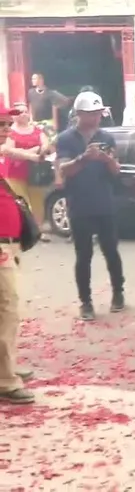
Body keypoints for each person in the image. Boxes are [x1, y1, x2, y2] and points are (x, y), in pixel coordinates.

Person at [56, 91, 125, 321]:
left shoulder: (107, 137)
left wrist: (107, 160)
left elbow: (117, 172)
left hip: (104, 203)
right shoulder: (66, 139)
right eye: (91, 113)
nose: (96, 118)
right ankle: (85, 302)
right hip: (79, 204)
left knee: (111, 251)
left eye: (98, 113)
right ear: (79, 114)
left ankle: (118, 292)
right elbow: (64, 170)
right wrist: (85, 158)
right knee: (83, 255)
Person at [0, 103, 35, 404]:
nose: (6, 130)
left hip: (8, 242)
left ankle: (5, 368)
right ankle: (4, 380)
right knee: (6, 308)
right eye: (0, 124)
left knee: (7, 310)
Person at [3, 102, 51, 242]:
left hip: (35, 173)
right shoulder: (9, 131)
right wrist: (33, 152)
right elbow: (9, 151)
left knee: (37, 202)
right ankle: (21, 230)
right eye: (19, 112)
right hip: (15, 173)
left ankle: (39, 230)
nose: (23, 114)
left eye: (25, 111)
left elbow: (46, 145)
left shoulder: (37, 130)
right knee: (19, 202)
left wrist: (38, 150)